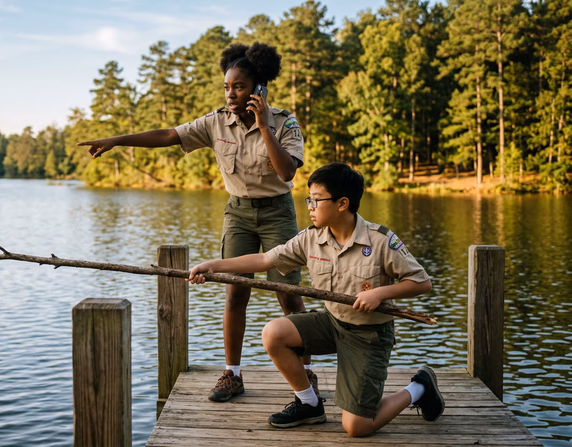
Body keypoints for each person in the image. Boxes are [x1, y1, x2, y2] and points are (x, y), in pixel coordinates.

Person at [77, 42, 320, 402]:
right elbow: (167, 136)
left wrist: (264, 126)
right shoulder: (216, 121)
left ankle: (305, 371)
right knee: (235, 292)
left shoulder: (285, 122)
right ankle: (232, 374)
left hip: (277, 211)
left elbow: (286, 172)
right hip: (238, 212)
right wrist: (116, 140)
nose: (231, 93)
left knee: (288, 294)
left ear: (258, 87)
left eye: (239, 86)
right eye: (227, 86)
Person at [187, 162, 444, 436]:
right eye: (308, 198)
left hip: (369, 335)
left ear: (342, 203)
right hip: (332, 324)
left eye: (316, 200)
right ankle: (309, 404)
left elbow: (421, 282)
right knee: (274, 333)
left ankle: (420, 388)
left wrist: (380, 293)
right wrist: (212, 265)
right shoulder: (311, 238)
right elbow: (264, 259)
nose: (309, 205)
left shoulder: (380, 240)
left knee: (357, 427)